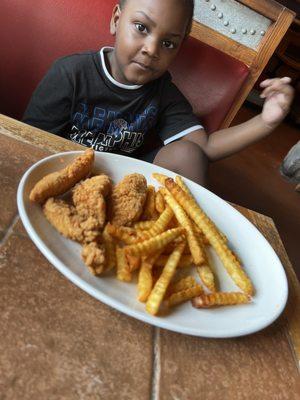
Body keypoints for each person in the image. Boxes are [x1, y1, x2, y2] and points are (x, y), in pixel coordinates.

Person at [23, 0, 294, 186]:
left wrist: (266, 121)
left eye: (168, 43)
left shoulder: (163, 92)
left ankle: (193, 241)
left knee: (188, 154)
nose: (152, 49)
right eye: (141, 28)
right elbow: (29, 142)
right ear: (117, 20)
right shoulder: (70, 73)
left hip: (125, 183)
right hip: (63, 171)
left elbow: (204, 148)